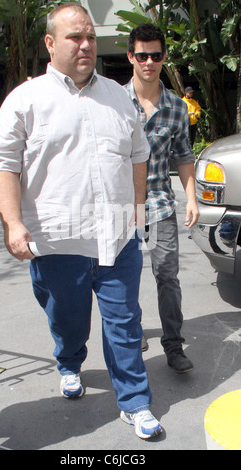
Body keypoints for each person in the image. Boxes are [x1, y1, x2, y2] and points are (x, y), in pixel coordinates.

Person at [0, 5, 162, 440]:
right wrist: (13, 223)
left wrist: (138, 209)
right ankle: (69, 361)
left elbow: (138, 155)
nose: (85, 45)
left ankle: (134, 401)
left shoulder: (118, 96)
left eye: (90, 37)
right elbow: (3, 164)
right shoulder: (26, 100)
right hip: (57, 241)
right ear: (50, 43)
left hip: (117, 236)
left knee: (125, 321)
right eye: (74, 37)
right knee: (68, 319)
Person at [125, 23, 199, 373]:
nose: (149, 62)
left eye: (155, 55)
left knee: (167, 276)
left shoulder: (176, 107)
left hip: (161, 204)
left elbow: (183, 154)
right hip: (122, 208)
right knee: (125, 276)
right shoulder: (115, 103)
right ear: (131, 57)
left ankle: (173, 345)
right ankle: (132, 331)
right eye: (142, 55)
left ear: (163, 57)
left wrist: (192, 199)